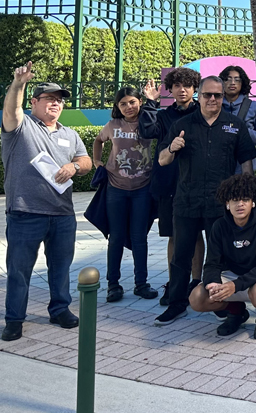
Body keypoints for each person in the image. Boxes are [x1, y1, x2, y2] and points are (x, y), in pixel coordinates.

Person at [154, 76, 256, 326]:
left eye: (218, 95)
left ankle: (222, 303)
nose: (213, 99)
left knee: (221, 256)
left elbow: (246, 164)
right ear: (198, 96)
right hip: (186, 201)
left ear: (223, 98)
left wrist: (248, 197)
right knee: (181, 256)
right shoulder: (182, 124)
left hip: (220, 205)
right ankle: (177, 303)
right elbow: (162, 160)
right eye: (207, 95)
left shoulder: (235, 125)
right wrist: (172, 148)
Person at [1, 63, 92, 342]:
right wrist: (18, 83)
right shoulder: (21, 126)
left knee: (61, 266)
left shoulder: (69, 134)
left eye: (60, 99)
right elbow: (11, 110)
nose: (56, 103)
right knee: (19, 270)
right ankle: (15, 319)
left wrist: (75, 168)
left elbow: (86, 161)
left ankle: (60, 309)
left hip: (63, 214)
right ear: (34, 103)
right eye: (49, 98)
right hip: (26, 213)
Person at [140, 67, 203, 306]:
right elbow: (147, 130)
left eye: (187, 85)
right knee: (174, 235)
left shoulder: (203, 112)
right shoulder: (164, 115)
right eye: (177, 86)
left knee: (196, 234)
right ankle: (173, 283)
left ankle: (196, 283)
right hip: (168, 184)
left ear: (194, 88)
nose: (182, 90)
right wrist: (150, 102)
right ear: (171, 89)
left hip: (197, 184)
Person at [189, 174, 256, 339]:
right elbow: (212, 264)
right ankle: (236, 312)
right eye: (235, 200)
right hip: (232, 275)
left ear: (253, 202)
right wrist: (212, 285)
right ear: (227, 204)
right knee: (196, 298)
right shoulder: (219, 226)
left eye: (245, 199)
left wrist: (236, 285)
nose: (240, 204)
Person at [92, 86, 158, 302]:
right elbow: (98, 140)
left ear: (139, 101)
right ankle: (113, 285)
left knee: (140, 237)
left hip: (143, 188)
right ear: (117, 107)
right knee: (116, 237)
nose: (128, 107)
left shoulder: (147, 123)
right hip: (115, 188)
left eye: (132, 102)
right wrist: (96, 160)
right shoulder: (112, 125)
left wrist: (152, 102)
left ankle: (141, 283)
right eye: (123, 103)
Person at [220, 65, 256, 173]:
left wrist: (242, 132)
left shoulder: (254, 107)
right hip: (218, 166)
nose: (232, 83)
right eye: (228, 79)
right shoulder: (215, 105)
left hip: (244, 166)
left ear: (242, 83)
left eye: (237, 79)